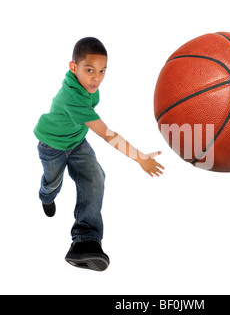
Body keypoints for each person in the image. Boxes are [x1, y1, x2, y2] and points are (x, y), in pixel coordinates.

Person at [34, 37, 164, 272]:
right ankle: (45, 196)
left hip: (76, 142)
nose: (97, 77)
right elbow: (107, 134)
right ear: (73, 67)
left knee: (95, 177)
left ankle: (86, 242)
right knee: (52, 184)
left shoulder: (89, 88)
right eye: (90, 70)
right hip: (52, 146)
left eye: (102, 71)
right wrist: (140, 158)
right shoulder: (72, 96)